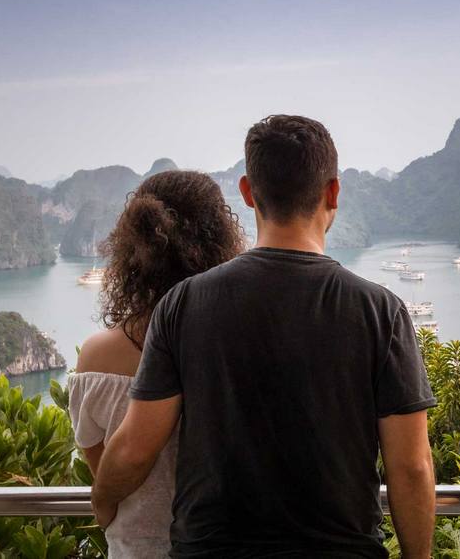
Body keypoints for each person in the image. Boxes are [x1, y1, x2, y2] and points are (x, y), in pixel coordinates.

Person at [91, 115, 437, 558]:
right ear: (333, 192)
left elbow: (136, 448)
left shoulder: (183, 304)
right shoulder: (380, 311)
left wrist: (102, 501)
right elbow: (411, 467)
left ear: (248, 192)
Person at [68, 170, 246, 557]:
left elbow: (106, 474)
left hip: (135, 547)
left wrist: (102, 503)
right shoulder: (239, 345)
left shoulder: (96, 357)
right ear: (221, 241)